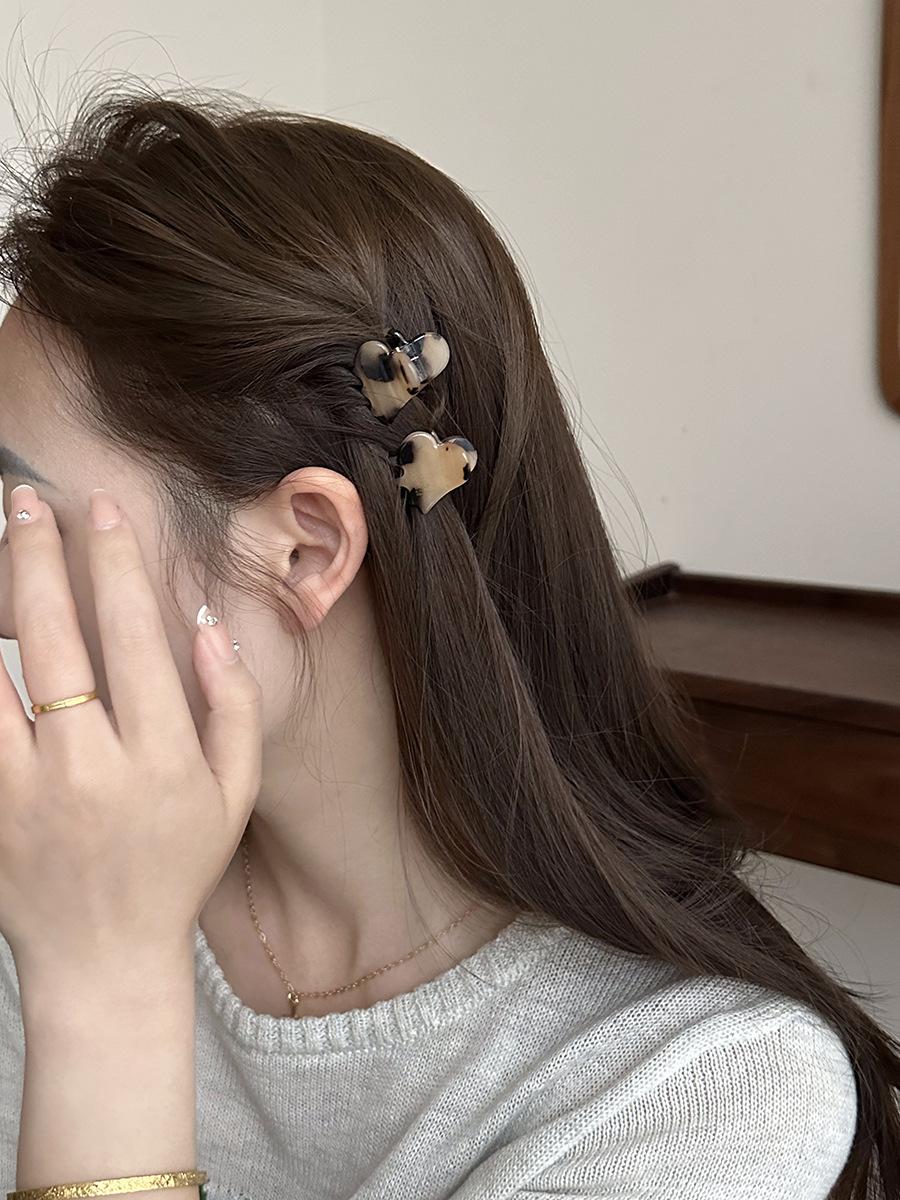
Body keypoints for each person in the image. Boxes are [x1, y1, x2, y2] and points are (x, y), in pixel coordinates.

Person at [0, 78, 895, 1200]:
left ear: (307, 550)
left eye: (21, 515)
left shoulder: (706, 1096)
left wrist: (102, 984)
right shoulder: (41, 854)